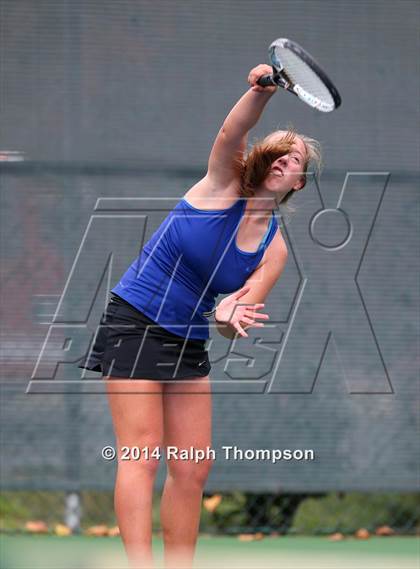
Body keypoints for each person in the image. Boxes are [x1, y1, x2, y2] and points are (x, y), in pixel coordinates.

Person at [78, 63, 322, 569]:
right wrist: (263, 89)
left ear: (299, 182)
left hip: (188, 341)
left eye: (294, 158)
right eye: (277, 149)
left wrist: (230, 314)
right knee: (141, 455)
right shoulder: (221, 183)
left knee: (193, 465)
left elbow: (233, 312)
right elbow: (232, 130)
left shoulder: (274, 251)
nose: (284, 159)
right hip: (136, 319)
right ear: (260, 157)